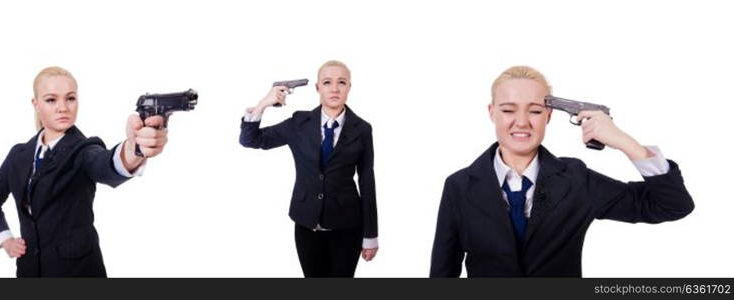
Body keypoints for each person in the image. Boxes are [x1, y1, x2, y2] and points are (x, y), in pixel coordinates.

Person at [429, 65, 694, 277]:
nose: (521, 122)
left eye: (534, 111)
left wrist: (625, 142)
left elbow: (671, 205)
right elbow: (443, 273)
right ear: (492, 113)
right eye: (508, 110)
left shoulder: (576, 180)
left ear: (549, 116)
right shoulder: (459, 186)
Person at [0, 66, 168, 277]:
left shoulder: (83, 150)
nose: (63, 108)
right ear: (36, 104)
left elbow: (104, 164)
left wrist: (134, 149)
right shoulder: (18, 155)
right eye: (51, 100)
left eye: (70, 98)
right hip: (30, 271)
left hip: (78, 271)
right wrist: (4, 239)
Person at [239, 60, 379, 277]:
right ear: (317, 88)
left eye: (341, 82)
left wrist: (371, 235)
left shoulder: (362, 129)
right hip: (306, 224)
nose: (334, 88)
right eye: (327, 82)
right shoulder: (299, 123)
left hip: (347, 226)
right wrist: (263, 104)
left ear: (349, 87)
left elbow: (367, 181)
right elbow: (251, 139)